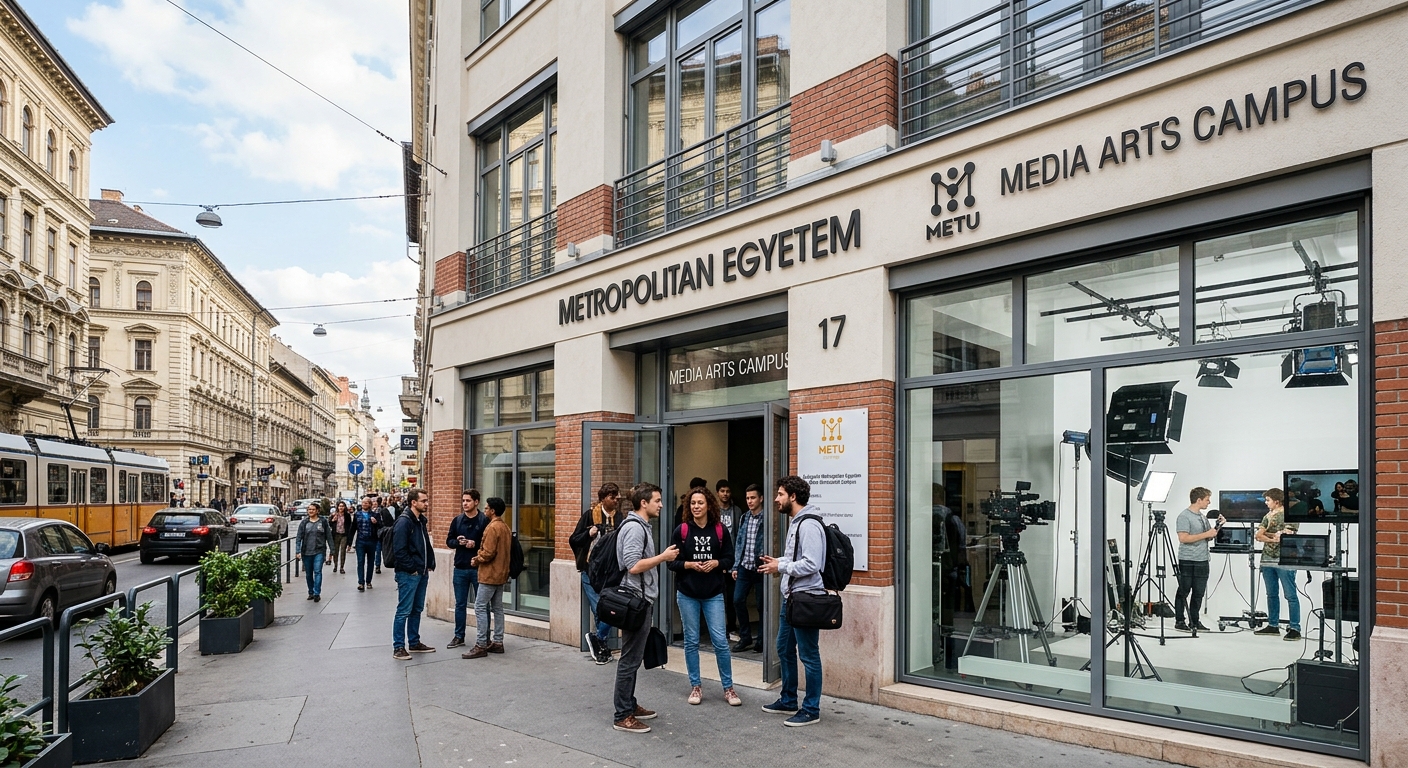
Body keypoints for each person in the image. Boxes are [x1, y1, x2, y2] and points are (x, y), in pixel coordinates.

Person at [758, 475, 826, 727]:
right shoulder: (797, 522)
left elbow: (812, 563)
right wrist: (778, 563)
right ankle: (788, 699)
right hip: (792, 599)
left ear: (793, 497)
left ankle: (811, 709)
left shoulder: (808, 525)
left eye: (780, 494)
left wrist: (781, 565)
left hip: (806, 599)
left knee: (809, 655)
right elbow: (798, 559)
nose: (776, 499)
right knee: (784, 649)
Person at [613, 483, 679, 734]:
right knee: (629, 659)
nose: (661, 504)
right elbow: (632, 565)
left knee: (633, 657)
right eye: (657, 500)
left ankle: (629, 704)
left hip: (639, 599)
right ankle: (622, 714)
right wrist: (663, 557)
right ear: (644, 503)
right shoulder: (634, 529)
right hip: (634, 601)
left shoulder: (639, 527)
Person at [668, 486, 740, 706]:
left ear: (709, 504)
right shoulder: (682, 530)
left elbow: (729, 558)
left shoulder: (719, 530)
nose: (696, 507)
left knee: (720, 641)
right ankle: (696, 687)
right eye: (692, 503)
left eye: (700, 503)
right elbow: (671, 562)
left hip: (713, 594)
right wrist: (690, 564)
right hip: (687, 593)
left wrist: (716, 563)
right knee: (691, 641)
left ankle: (729, 689)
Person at [570, 482, 623, 665]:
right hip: (590, 571)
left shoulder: (620, 518)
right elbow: (574, 539)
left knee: (609, 610)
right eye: (612, 496)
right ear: (603, 498)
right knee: (600, 609)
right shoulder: (589, 516)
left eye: (617, 496)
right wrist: (589, 534)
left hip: (611, 572)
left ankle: (597, 640)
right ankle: (602, 648)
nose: (616, 499)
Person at [463, 497, 512, 659]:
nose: (485, 511)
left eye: (486, 508)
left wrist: (476, 559)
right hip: (501, 573)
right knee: (497, 608)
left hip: (490, 574)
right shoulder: (504, 527)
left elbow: (488, 552)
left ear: (493, 511)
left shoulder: (493, 528)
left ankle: (481, 644)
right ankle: (498, 641)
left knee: (480, 607)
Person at [391, 488, 437, 660]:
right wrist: (413, 568)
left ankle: (414, 642)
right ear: (413, 502)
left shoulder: (420, 520)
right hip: (409, 574)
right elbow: (399, 551)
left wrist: (430, 563)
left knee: (417, 609)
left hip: (422, 571)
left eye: (427, 500)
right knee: (404, 610)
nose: (427, 503)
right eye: (424, 501)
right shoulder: (404, 522)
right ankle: (398, 647)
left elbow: (425, 544)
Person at [1255, 487, 1301, 640]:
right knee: (1271, 594)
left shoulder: (1290, 515)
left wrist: (1270, 535)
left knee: (1290, 595)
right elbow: (1259, 535)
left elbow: (1285, 534)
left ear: (1276, 501)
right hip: (1267, 559)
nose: (1266, 503)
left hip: (1285, 559)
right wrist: (1271, 537)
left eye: (1268, 500)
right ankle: (1273, 625)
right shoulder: (1267, 515)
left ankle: (1295, 627)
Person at [1174, 487, 1222, 632]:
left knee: (1199, 592)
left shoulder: (1202, 517)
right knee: (1184, 590)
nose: (1209, 502)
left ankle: (1195, 621)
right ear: (1199, 500)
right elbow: (1183, 538)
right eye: (1207, 499)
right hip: (1187, 559)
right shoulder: (1184, 516)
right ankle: (1180, 620)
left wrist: (1218, 525)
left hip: (1202, 559)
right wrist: (1206, 533)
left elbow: (1209, 536)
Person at [446, 489, 488, 649]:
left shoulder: (484, 520)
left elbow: (489, 544)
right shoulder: (457, 520)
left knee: (483, 605)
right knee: (460, 604)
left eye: (468, 500)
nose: (465, 503)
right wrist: (458, 542)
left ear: (476, 502)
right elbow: (448, 541)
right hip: (460, 567)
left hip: (479, 568)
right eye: (463, 500)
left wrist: (474, 544)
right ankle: (459, 636)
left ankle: (485, 638)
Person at [731, 484, 767, 653]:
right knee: (737, 600)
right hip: (745, 566)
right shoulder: (745, 517)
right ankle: (745, 637)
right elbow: (739, 543)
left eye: (753, 498)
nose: (750, 501)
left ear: (761, 498)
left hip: (760, 567)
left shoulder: (767, 518)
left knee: (761, 605)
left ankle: (761, 640)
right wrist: (736, 565)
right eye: (747, 498)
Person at [716, 479, 742, 637]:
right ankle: (718, 628)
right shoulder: (713, 511)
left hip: (732, 559)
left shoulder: (736, 511)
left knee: (732, 597)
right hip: (716, 560)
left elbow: (738, 535)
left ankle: (731, 627)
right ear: (717, 493)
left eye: (728, 491)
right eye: (722, 491)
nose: (725, 494)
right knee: (718, 595)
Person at [296, 501, 332, 603]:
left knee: (317, 571)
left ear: (317, 511)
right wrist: (298, 551)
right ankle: (310, 592)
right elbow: (299, 537)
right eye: (309, 510)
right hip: (306, 552)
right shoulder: (304, 523)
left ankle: (317, 593)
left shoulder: (323, 522)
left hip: (319, 551)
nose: (310, 511)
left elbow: (328, 536)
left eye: (312, 509)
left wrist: (332, 550)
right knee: (308, 574)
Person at [353, 496, 382, 591]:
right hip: (360, 541)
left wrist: (376, 522)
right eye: (363, 503)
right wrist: (349, 542)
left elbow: (381, 526)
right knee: (360, 561)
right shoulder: (357, 514)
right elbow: (353, 528)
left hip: (371, 541)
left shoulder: (375, 515)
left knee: (370, 562)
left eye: (366, 503)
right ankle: (361, 582)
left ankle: (368, 581)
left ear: (370, 505)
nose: (364, 504)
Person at [329, 500, 354, 574]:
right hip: (336, 534)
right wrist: (333, 520)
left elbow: (350, 526)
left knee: (343, 551)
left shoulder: (347, 515)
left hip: (344, 535)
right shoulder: (334, 515)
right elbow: (329, 524)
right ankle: (335, 565)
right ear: (337, 507)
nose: (341, 507)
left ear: (344, 507)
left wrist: (350, 541)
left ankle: (342, 567)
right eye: (340, 506)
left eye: (342, 506)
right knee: (335, 551)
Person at [373, 497, 396, 575]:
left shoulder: (376, 511)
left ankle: (377, 565)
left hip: (380, 533)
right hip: (386, 533)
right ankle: (382, 563)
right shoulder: (386, 511)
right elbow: (392, 521)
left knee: (378, 550)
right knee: (384, 549)